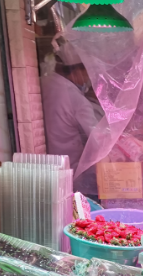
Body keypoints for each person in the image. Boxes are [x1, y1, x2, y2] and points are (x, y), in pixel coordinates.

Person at [41, 53, 103, 194]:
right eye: (87, 74)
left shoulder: (42, 83)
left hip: (44, 164)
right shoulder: (74, 97)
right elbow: (97, 137)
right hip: (68, 167)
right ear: (77, 71)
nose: (88, 80)